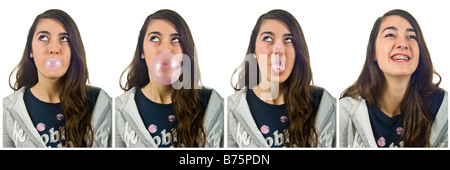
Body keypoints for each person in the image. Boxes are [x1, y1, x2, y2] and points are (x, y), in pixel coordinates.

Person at [3, 9, 112, 148]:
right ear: (30, 50)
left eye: (64, 39)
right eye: (43, 37)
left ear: (73, 51)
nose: (54, 48)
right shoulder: (8, 110)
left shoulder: (102, 103)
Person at [115, 9, 224, 148]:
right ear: (141, 51)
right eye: (154, 38)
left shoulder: (213, 104)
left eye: (176, 39)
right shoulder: (120, 109)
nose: (166, 49)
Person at [227, 9, 336, 148]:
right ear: (253, 51)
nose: (279, 49)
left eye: (288, 40)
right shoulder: (231, 110)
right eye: (267, 38)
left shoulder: (325, 104)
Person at [339, 9, 448, 148]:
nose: (403, 43)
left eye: (412, 36)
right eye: (390, 34)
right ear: (373, 52)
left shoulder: (444, 108)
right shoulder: (345, 112)